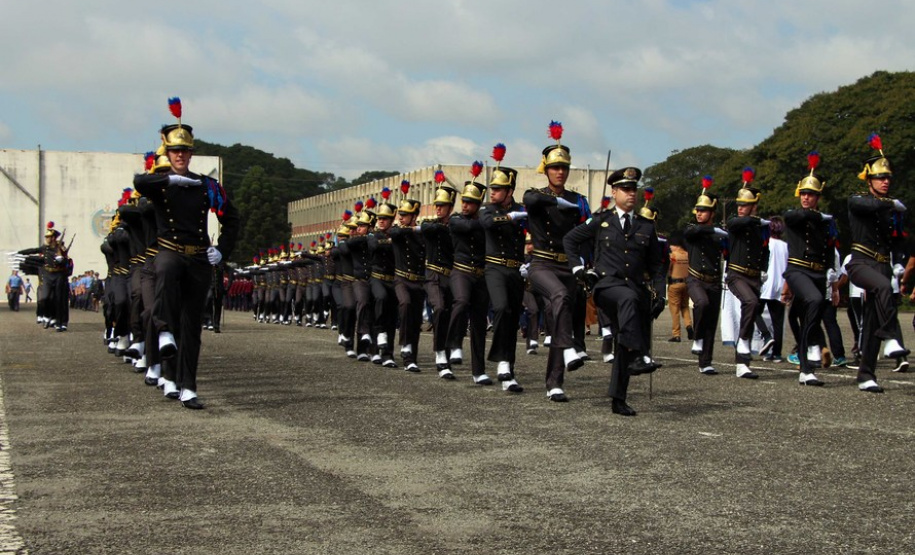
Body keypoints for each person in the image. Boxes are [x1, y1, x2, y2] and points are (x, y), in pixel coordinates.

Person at [133, 97, 240, 409]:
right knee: (165, 272)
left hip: (198, 257)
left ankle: (187, 385)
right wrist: (170, 178)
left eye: (185, 151)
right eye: (175, 151)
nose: (180, 155)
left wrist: (222, 250)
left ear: (191, 154)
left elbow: (232, 218)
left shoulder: (207, 186)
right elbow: (139, 181)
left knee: (192, 325)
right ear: (168, 153)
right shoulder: (161, 184)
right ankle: (164, 335)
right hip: (169, 250)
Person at [564, 167, 664, 416]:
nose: (631, 194)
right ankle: (638, 354)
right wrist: (578, 269)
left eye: (634, 189)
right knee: (628, 305)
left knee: (625, 338)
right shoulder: (601, 220)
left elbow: (657, 266)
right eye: (626, 189)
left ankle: (619, 398)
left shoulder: (646, 226)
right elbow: (570, 240)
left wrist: (660, 294)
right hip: (607, 287)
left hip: (635, 290)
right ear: (614, 192)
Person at [523, 122, 591, 402]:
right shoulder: (536, 196)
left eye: (564, 168)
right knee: (560, 296)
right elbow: (529, 199)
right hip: (541, 265)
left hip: (568, 266)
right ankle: (570, 348)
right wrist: (556, 202)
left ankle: (554, 383)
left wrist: (588, 264)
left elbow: (588, 232)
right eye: (554, 168)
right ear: (546, 170)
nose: (560, 172)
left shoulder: (579, 200)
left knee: (559, 315)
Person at [845, 134, 908, 393]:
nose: (885, 182)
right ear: (869, 180)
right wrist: (890, 203)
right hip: (861, 262)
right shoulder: (859, 200)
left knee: (872, 321)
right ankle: (891, 337)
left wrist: (899, 262)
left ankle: (866, 375)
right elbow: (866, 205)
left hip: (882, 265)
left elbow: (899, 239)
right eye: (880, 178)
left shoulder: (890, 210)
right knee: (883, 288)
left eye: (888, 178)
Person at [781, 153, 836, 386]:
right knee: (814, 300)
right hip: (797, 270)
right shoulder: (794, 215)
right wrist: (816, 215)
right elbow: (793, 217)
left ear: (818, 197)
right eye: (803, 193)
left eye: (810, 194)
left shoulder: (826, 222)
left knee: (806, 315)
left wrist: (832, 272)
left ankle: (805, 368)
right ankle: (813, 345)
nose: (805, 197)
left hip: (819, 273)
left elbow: (830, 248)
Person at [479, 145, 525, 394]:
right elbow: (487, 223)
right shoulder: (488, 210)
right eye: (492, 188)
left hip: (516, 270)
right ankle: (501, 360)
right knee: (500, 308)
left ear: (510, 191)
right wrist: (510, 217)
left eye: (498, 189)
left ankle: (508, 371)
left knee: (513, 318)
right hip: (494, 267)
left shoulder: (522, 211)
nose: (493, 192)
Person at [447, 164, 491, 384]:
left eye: (470, 202)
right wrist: (487, 219)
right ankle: (454, 343)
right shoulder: (455, 220)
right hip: (461, 271)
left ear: (478, 203)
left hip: (481, 275)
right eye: (463, 201)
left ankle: (478, 371)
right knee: (461, 302)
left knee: (479, 324)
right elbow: (468, 228)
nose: (464, 205)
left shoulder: (484, 219)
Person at [726, 168, 770, 379]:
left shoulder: (760, 227)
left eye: (745, 205)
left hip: (754, 276)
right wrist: (757, 220)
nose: (740, 208)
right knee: (750, 303)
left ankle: (742, 364)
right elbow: (736, 222)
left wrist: (764, 269)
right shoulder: (737, 222)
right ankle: (743, 342)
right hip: (736, 274)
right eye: (739, 205)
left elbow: (765, 250)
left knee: (749, 315)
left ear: (754, 206)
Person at [684, 177, 727, 375]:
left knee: (711, 321)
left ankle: (705, 362)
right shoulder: (692, 230)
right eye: (698, 210)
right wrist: (714, 230)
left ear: (712, 213)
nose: (699, 213)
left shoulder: (719, 234)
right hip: (695, 278)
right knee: (701, 303)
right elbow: (692, 233)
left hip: (714, 281)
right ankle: (697, 338)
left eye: (704, 210)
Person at [420, 178, 457, 379]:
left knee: (451, 315)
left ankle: (447, 356)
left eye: (442, 205)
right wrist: (450, 226)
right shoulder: (430, 224)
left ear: (450, 207)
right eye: (437, 205)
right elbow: (428, 229)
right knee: (440, 308)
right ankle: (440, 352)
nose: (438, 208)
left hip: (452, 276)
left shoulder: (457, 224)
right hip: (433, 275)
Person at [756, 217, 787, 362]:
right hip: (780, 286)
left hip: (765, 285)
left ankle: (766, 336)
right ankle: (777, 353)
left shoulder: (766, 243)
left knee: (754, 312)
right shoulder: (786, 246)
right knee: (778, 321)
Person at [666, 233, 692, 342]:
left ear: (676, 245)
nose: (670, 247)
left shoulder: (673, 256)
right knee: (685, 307)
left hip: (674, 284)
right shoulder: (687, 255)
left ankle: (676, 334)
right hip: (686, 284)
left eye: (671, 245)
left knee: (675, 309)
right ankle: (689, 325)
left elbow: (669, 268)